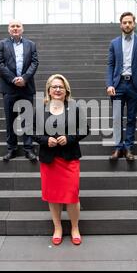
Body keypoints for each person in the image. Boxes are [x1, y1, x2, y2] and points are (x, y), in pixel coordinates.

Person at [32, 74, 89, 246]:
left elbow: (84, 129)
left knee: (72, 195)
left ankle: (74, 228)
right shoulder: (40, 110)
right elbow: (32, 131)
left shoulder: (74, 108)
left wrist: (69, 138)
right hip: (49, 160)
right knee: (53, 196)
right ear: (48, 90)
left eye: (61, 87)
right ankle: (57, 228)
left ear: (66, 90)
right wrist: (45, 140)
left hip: (69, 158)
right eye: (54, 87)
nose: (57, 89)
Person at [106, 11, 137, 161]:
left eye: (130, 22)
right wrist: (109, 84)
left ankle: (129, 148)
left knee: (131, 118)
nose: (127, 25)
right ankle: (118, 148)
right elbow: (110, 65)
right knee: (117, 118)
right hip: (118, 85)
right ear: (121, 25)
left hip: (134, 85)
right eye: (124, 22)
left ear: (134, 24)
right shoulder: (114, 43)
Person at [0, 19, 39, 162]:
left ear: (22, 29)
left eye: (18, 26)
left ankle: (28, 149)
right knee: (10, 119)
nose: (15, 28)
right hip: (9, 87)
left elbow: (34, 62)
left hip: (26, 87)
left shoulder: (31, 45)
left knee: (27, 118)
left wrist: (25, 78)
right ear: (9, 29)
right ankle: (12, 149)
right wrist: (14, 79)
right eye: (12, 26)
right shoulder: (2, 44)